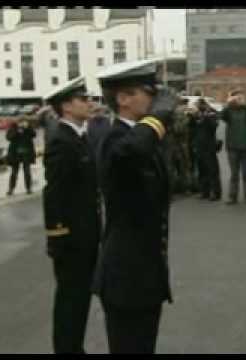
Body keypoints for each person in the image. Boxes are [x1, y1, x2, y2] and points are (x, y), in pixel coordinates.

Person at [92, 59, 177, 354]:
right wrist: (157, 119)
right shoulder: (113, 138)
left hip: (145, 272)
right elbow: (129, 153)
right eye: (147, 93)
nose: (155, 101)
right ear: (123, 99)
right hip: (126, 275)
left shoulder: (141, 138)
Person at [42, 77, 101, 354]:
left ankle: (73, 347)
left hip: (86, 233)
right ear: (66, 106)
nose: (89, 103)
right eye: (82, 99)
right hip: (72, 238)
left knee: (79, 298)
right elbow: (54, 193)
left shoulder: (79, 136)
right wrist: (57, 234)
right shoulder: (61, 141)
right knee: (71, 299)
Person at [221, 90, 246, 205]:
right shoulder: (229, 112)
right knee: (234, 174)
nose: (238, 100)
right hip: (233, 146)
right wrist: (229, 104)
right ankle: (232, 196)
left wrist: (245, 105)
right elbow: (222, 116)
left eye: (240, 98)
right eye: (236, 98)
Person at [192, 98, 222, 201]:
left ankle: (215, 192)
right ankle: (204, 191)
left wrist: (205, 117)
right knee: (202, 170)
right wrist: (194, 117)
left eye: (198, 105)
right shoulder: (196, 115)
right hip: (199, 145)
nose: (197, 107)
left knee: (212, 170)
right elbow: (192, 128)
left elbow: (214, 126)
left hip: (209, 146)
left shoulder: (211, 114)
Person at [6, 115, 37, 196]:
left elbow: (34, 135)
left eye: (23, 121)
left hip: (26, 152)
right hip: (15, 153)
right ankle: (11, 189)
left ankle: (28, 188)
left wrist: (27, 128)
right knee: (14, 172)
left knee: (27, 171)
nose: (22, 123)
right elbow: (8, 137)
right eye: (20, 121)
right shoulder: (13, 127)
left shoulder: (28, 127)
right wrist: (17, 131)